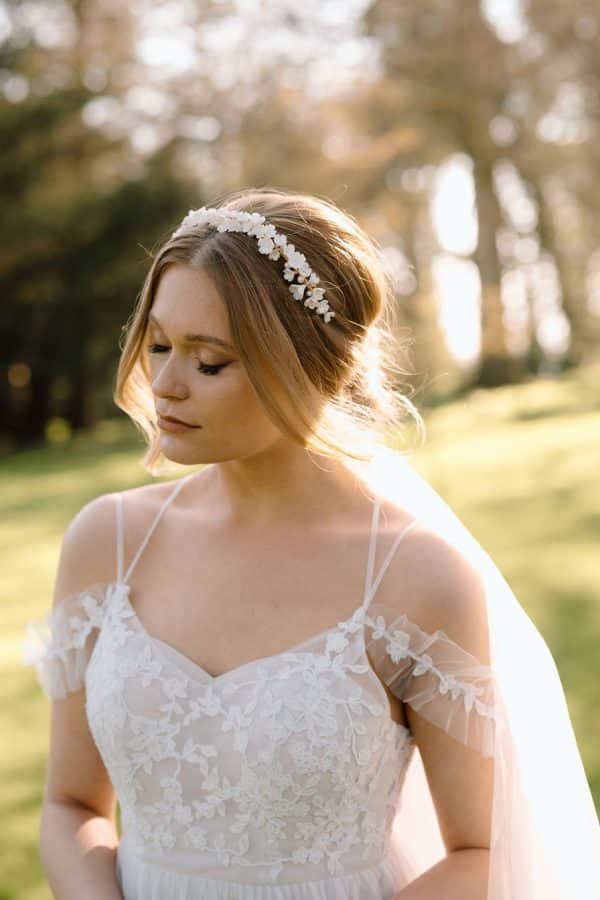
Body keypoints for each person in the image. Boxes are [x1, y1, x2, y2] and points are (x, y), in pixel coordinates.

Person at [23, 188, 600, 900]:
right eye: (159, 344)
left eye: (209, 363)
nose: (165, 385)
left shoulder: (415, 574)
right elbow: (70, 805)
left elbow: (484, 850)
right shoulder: (106, 543)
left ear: (312, 367)